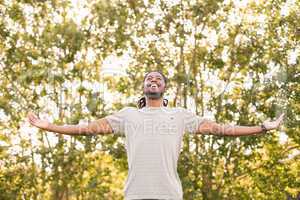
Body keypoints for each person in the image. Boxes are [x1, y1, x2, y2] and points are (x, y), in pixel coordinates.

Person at [27, 71, 285, 200]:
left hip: (170, 195)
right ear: (144, 87)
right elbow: (84, 129)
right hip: (135, 195)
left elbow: (222, 129)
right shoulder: (127, 116)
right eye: (149, 78)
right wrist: (49, 126)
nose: (153, 80)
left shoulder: (180, 115)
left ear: (164, 88)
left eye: (158, 79)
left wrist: (262, 127)